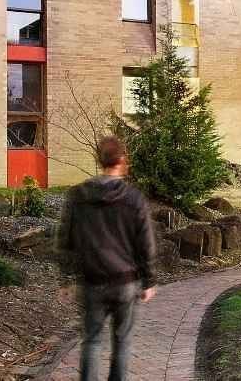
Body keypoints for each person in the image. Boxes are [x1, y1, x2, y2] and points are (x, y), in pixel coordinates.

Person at [58, 135, 157, 381]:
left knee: (91, 341)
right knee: (122, 343)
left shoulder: (78, 196)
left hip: (92, 282)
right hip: (126, 283)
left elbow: (66, 239)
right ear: (122, 161)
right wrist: (149, 281)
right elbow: (145, 242)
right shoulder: (133, 199)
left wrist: (66, 278)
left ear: (99, 160)